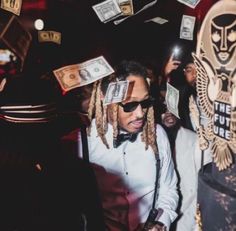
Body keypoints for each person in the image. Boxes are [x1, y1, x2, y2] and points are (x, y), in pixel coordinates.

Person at [78, 60, 178, 231]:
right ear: (106, 100)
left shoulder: (157, 135)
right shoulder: (81, 144)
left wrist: (161, 222)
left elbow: (168, 189)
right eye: (130, 105)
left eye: (145, 103)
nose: (140, 114)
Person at [161, 110, 212, 231]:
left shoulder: (198, 143)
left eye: (172, 106)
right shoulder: (149, 142)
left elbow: (204, 193)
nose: (168, 112)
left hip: (188, 222)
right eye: (164, 105)